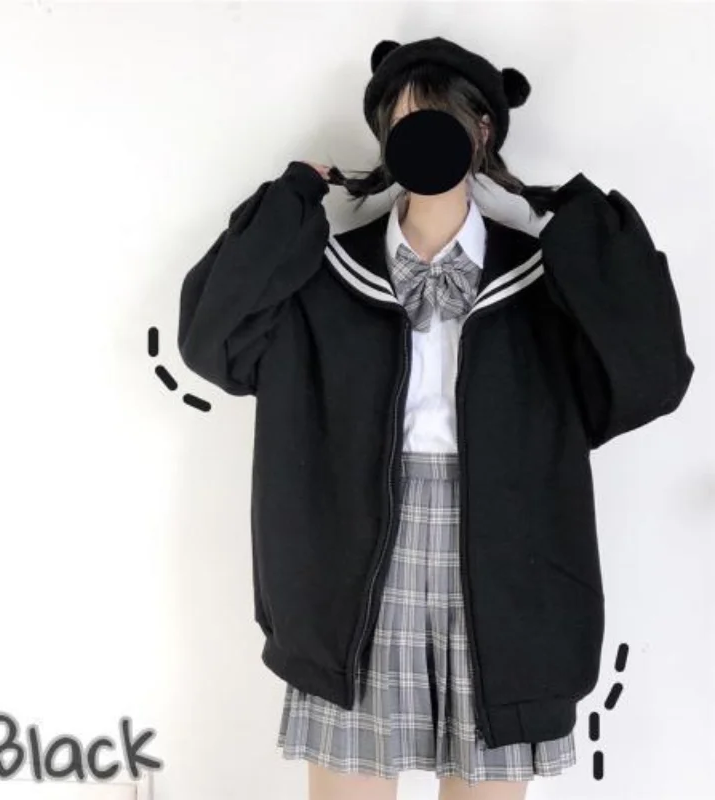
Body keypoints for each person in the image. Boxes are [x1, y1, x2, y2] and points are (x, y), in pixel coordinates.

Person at [177, 36, 694, 800]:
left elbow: (653, 378)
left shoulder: (542, 281)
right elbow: (211, 344)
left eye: (443, 121)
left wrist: (577, 223)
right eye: (406, 122)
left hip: (510, 566)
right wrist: (293, 199)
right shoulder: (326, 274)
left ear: (482, 132)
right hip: (351, 562)